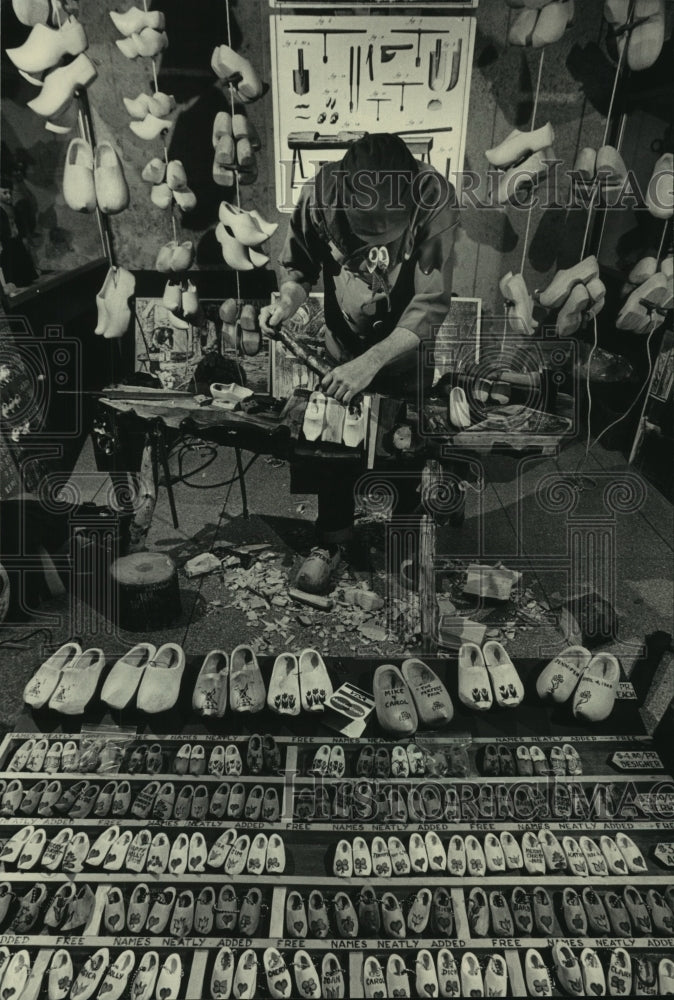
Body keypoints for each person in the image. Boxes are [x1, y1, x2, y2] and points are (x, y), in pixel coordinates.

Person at [260, 133, 460, 591]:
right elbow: (298, 269)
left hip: (404, 346)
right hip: (341, 341)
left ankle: (406, 542)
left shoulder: (435, 202)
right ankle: (331, 539)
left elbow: (430, 303)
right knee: (334, 442)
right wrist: (287, 303)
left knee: (405, 440)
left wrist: (374, 361)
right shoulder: (319, 193)